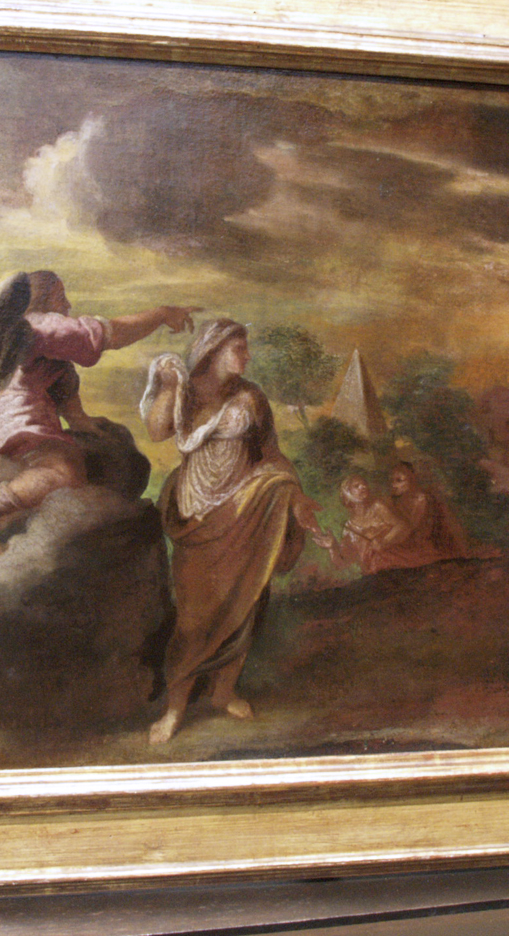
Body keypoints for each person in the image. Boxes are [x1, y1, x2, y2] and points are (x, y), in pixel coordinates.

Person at [0, 270, 198, 553]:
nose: (68, 305)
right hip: (10, 419)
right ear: (41, 300)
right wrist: (161, 314)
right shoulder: (39, 324)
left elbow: (64, 388)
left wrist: (82, 421)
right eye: (61, 297)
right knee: (64, 471)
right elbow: (105, 335)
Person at [141, 318, 321, 744]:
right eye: (239, 348)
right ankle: (175, 708)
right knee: (193, 616)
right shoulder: (188, 390)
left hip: (246, 510)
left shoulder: (252, 397)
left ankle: (223, 692)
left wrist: (296, 496)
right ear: (213, 350)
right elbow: (157, 430)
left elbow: (270, 453)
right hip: (198, 515)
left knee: (247, 604)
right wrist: (168, 386)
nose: (247, 356)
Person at [311, 475, 410, 574]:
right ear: (347, 493)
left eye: (364, 484)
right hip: (374, 574)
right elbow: (343, 563)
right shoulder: (349, 528)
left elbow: (402, 526)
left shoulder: (377, 507)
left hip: (395, 566)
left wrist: (385, 541)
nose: (363, 487)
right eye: (356, 486)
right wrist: (332, 547)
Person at [387, 462, 470, 566]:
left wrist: (388, 539)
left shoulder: (421, 499)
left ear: (411, 480)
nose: (393, 485)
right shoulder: (398, 500)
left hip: (425, 547)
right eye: (392, 481)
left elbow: (412, 530)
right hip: (407, 542)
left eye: (399, 481)